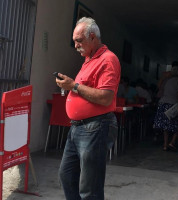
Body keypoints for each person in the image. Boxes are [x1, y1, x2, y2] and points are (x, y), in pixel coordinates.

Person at [56, 17, 121, 200]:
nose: (76, 45)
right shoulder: (88, 59)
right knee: (67, 176)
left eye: (79, 40)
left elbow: (106, 97)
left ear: (92, 36)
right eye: (74, 41)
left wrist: (74, 86)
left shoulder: (108, 59)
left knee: (89, 187)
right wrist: (70, 85)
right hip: (78, 127)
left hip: (95, 127)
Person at [153, 61, 178, 151]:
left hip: (163, 103)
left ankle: (165, 145)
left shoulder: (166, 78)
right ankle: (172, 142)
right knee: (177, 124)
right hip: (173, 105)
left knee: (165, 127)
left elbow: (158, 87)